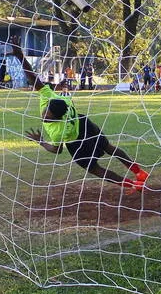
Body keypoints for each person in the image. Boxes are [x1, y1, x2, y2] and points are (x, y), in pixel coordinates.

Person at [10, 42, 149, 194]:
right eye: (45, 111)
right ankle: (139, 174)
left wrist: (41, 141)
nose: (43, 114)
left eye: (47, 115)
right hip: (85, 124)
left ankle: (134, 184)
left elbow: (57, 150)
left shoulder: (58, 131)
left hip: (76, 141)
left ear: (56, 118)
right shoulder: (54, 98)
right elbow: (32, 77)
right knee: (109, 148)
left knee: (95, 169)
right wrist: (20, 56)